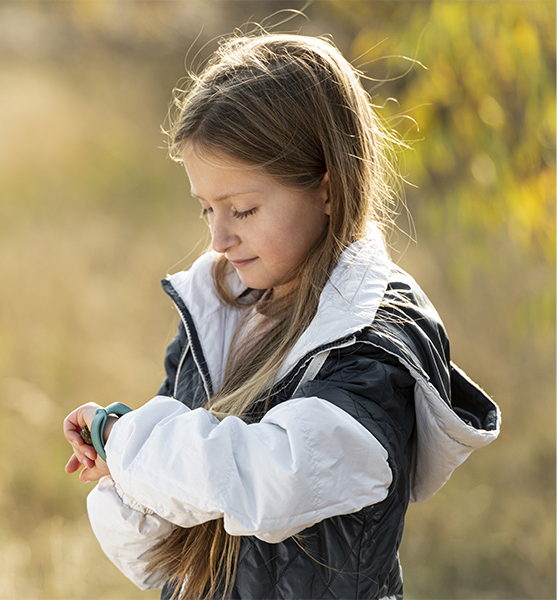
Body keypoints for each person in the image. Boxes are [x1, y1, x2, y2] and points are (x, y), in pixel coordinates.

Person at [62, 32, 500, 600]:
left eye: (242, 208)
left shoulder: (376, 344)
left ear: (326, 188)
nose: (218, 239)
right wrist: (121, 474)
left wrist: (132, 446)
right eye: (206, 209)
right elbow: (162, 560)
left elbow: (269, 482)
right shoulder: (217, 313)